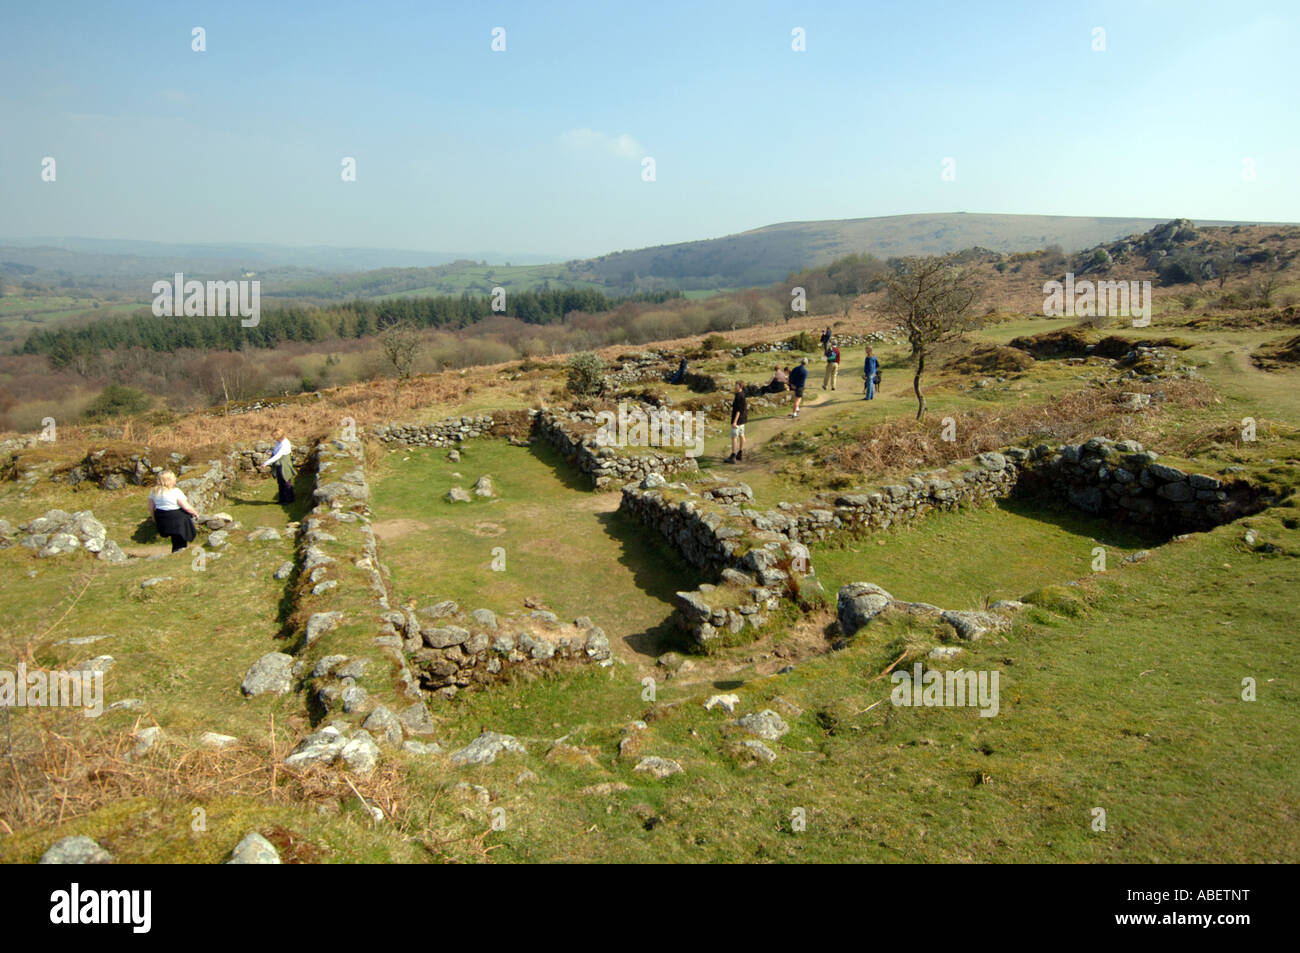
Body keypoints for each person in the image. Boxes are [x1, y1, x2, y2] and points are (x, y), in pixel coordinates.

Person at [147, 470, 200, 553]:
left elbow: (151, 508)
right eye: (173, 477)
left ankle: (176, 551)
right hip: (176, 518)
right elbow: (185, 506)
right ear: (168, 480)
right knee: (182, 529)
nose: (175, 479)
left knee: (175, 539)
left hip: (162, 518)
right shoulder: (175, 491)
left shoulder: (154, 492)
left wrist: (154, 519)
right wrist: (195, 513)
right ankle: (180, 551)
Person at [260, 428, 296, 504]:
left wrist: (265, 463)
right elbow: (275, 452)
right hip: (279, 464)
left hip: (284, 464)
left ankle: (289, 499)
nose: (274, 439)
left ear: (279, 436)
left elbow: (278, 455)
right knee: (280, 482)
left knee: (286, 481)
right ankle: (282, 499)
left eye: (274, 437)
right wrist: (271, 452)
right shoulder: (278, 442)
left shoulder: (285, 444)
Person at [725, 381, 747, 463]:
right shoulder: (743, 394)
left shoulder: (738, 396)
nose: (735, 387)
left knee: (734, 437)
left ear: (740, 387)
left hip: (738, 420)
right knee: (742, 435)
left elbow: (738, 410)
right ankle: (740, 453)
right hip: (743, 420)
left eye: (736, 386)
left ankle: (733, 456)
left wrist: (734, 422)